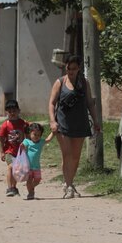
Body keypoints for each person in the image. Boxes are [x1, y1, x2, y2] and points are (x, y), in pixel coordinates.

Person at [48, 55, 100, 199]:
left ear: (79, 69)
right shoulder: (60, 82)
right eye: (68, 68)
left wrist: (96, 121)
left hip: (80, 122)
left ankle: (68, 182)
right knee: (67, 154)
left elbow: (90, 103)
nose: (71, 71)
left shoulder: (84, 82)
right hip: (63, 123)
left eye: (74, 69)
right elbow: (52, 103)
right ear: (66, 68)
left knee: (76, 156)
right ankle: (69, 186)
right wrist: (53, 121)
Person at [0, 99, 29, 197]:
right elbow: (1, 139)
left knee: (17, 170)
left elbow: (28, 136)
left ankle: (14, 187)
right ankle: (9, 188)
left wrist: (28, 146)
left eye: (14, 111)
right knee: (11, 167)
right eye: (10, 111)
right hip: (9, 151)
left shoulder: (23, 123)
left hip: (20, 152)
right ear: (6, 112)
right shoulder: (5, 125)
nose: (12, 113)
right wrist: (2, 152)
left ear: (19, 111)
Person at [22, 123, 54, 200]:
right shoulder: (27, 141)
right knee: (29, 180)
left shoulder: (41, 142)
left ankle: (31, 187)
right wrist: (22, 146)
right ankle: (30, 193)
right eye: (35, 134)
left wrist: (53, 133)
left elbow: (48, 139)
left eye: (39, 135)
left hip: (37, 167)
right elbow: (22, 145)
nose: (36, 137)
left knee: (38, 180)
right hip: (28, 166)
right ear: (30, 134)